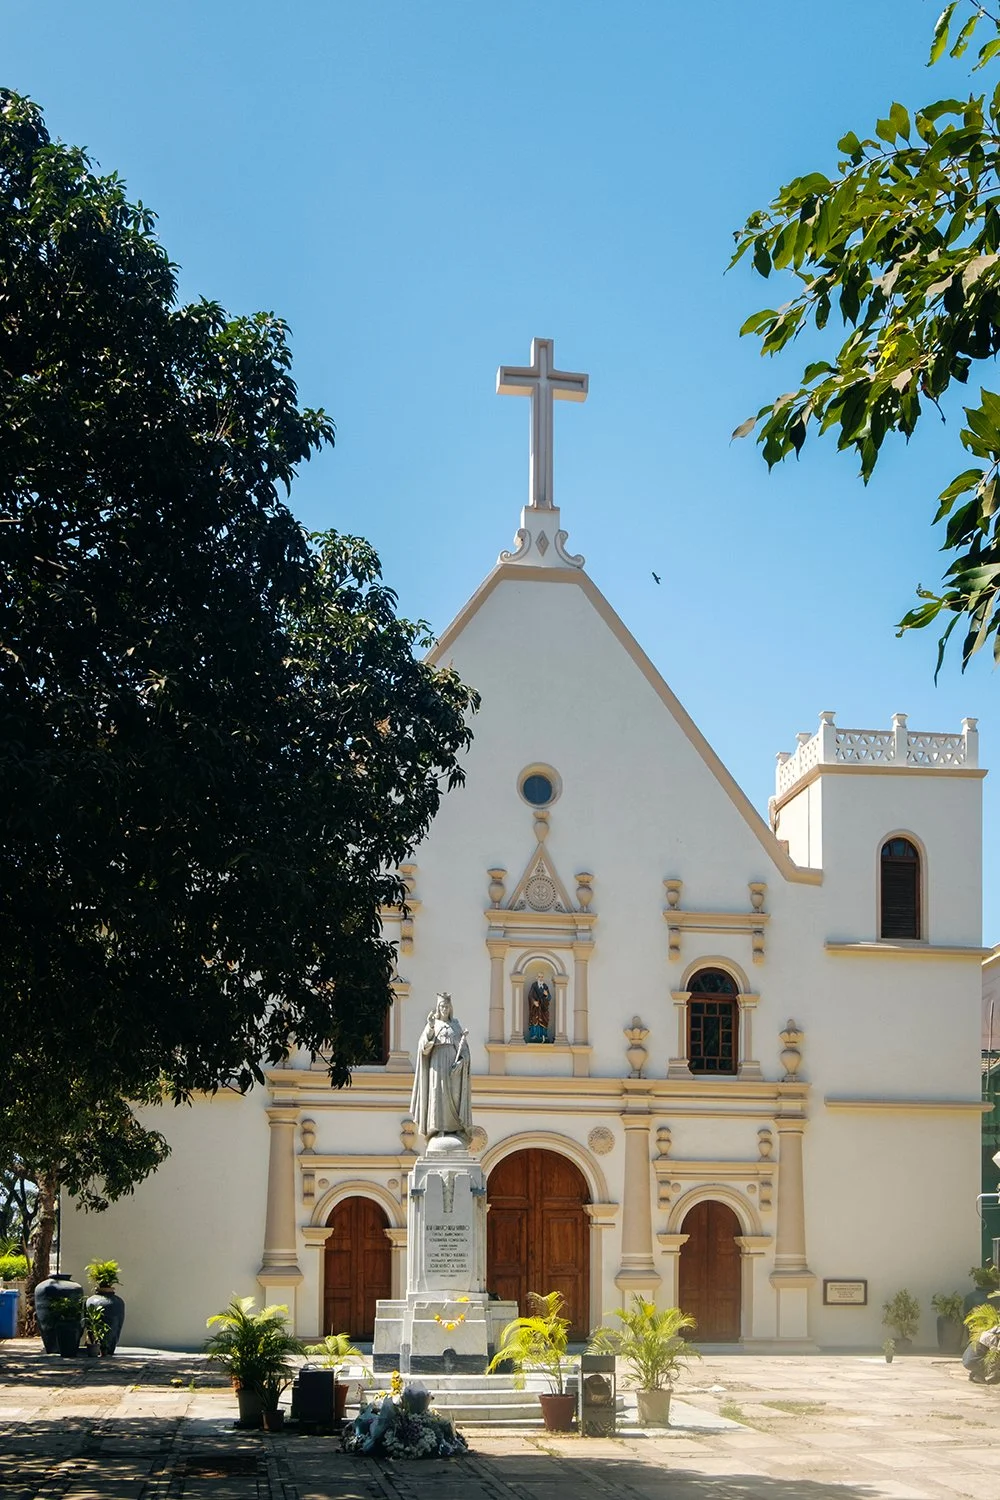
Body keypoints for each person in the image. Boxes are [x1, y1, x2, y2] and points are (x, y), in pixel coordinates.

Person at [410, 992, 472, 1144]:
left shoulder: (455, 1026)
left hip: (453, 1067)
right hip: (437, 1065)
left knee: (455, 1096)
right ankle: (438, 1129)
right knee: (437, 1094)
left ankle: (455, 1128)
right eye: (442, 1006)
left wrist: (461, 1062)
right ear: (438, 1008)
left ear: (450, 1008)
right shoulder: (433, 1025)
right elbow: (423, 1047)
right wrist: (431, 1027)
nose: (444, 1009)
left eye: (447, 1006)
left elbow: (464, 1050)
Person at [526, 978, 551, 1043]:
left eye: (542, 977)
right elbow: (530, 995)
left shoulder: (545, 986)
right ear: (537, 978)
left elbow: (549, 997)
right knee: (535, 1020)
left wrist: (547, 995)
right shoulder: (534, 985)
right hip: (535, 1009)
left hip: (543, 1008)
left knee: (544, 1020)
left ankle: (543, 1036)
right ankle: (535, 1035)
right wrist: (534, 1002)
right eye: (539, 977)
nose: (541, 978)